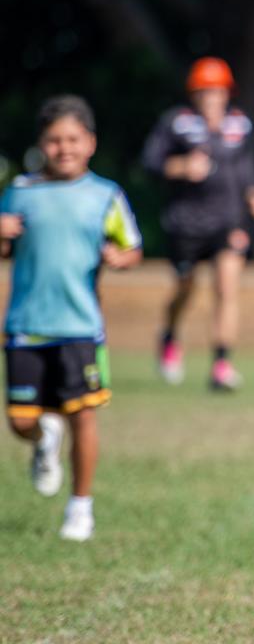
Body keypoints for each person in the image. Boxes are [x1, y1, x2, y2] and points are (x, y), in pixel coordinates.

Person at [1, 95, 143, 541]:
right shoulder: (20, 192)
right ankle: (44, 436)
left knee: (83, 417)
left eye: (73, 140)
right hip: (26, 325)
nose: (64, 148)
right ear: (41, 144)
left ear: (91, 144)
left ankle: (80, 508)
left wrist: (122, 258)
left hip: (80, 328)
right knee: (21, 420)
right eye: (55, 140)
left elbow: (133, 248)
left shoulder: (105, 195)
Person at [142, 57, 254, 391]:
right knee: (186, 289)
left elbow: (245, 169)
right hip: (185, 223)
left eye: (217, 92)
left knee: (226, 289)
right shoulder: (177, 124)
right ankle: (169, 334)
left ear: (227, 93)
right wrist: (182, 166)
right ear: (194, 95)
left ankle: (221, 365)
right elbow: (151, 164)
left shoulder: (239, 125)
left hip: (227, 222)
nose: (212, 99)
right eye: (204, 92)